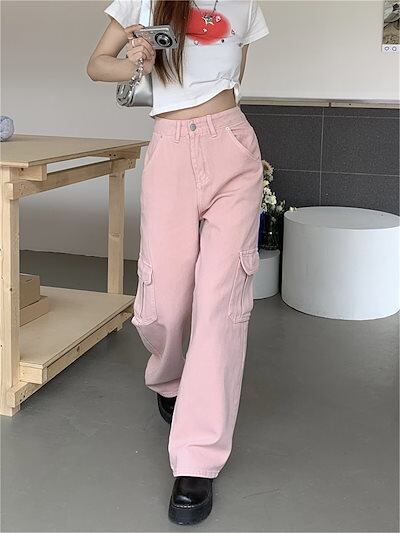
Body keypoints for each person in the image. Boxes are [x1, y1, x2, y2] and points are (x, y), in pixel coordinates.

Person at [87, 0, 269, 525]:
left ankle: (196, 458)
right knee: (163, 301)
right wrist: (135, 61)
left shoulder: (244, 5)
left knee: (219, 303)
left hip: (232, 146)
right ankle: (168, 380)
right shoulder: (142, 1)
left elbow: (234, 79)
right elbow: (97, 64)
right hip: (169, 147)